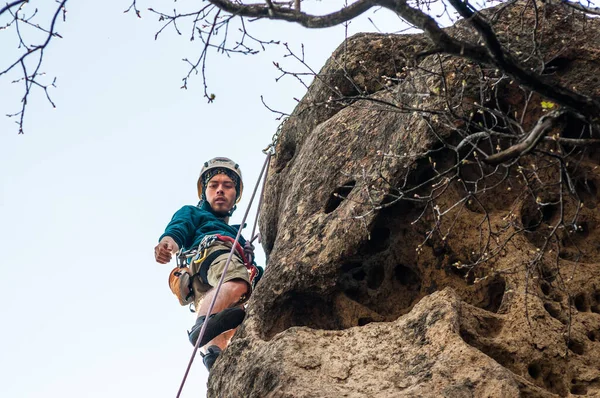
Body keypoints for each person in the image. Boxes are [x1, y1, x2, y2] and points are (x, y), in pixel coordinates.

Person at [154, 157, 259, 371]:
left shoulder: (238, 235)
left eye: (227, 186)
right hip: (211, 254)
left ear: (235, 195)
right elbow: (177, 230)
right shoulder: (194, 213)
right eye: (214, 185)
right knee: (238, 282)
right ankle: (201, 325)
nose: (220, 190)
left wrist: (251, 260)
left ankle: (213, 355)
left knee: (234, 313)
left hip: (205, 285)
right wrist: (166, 245)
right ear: (205, 193)